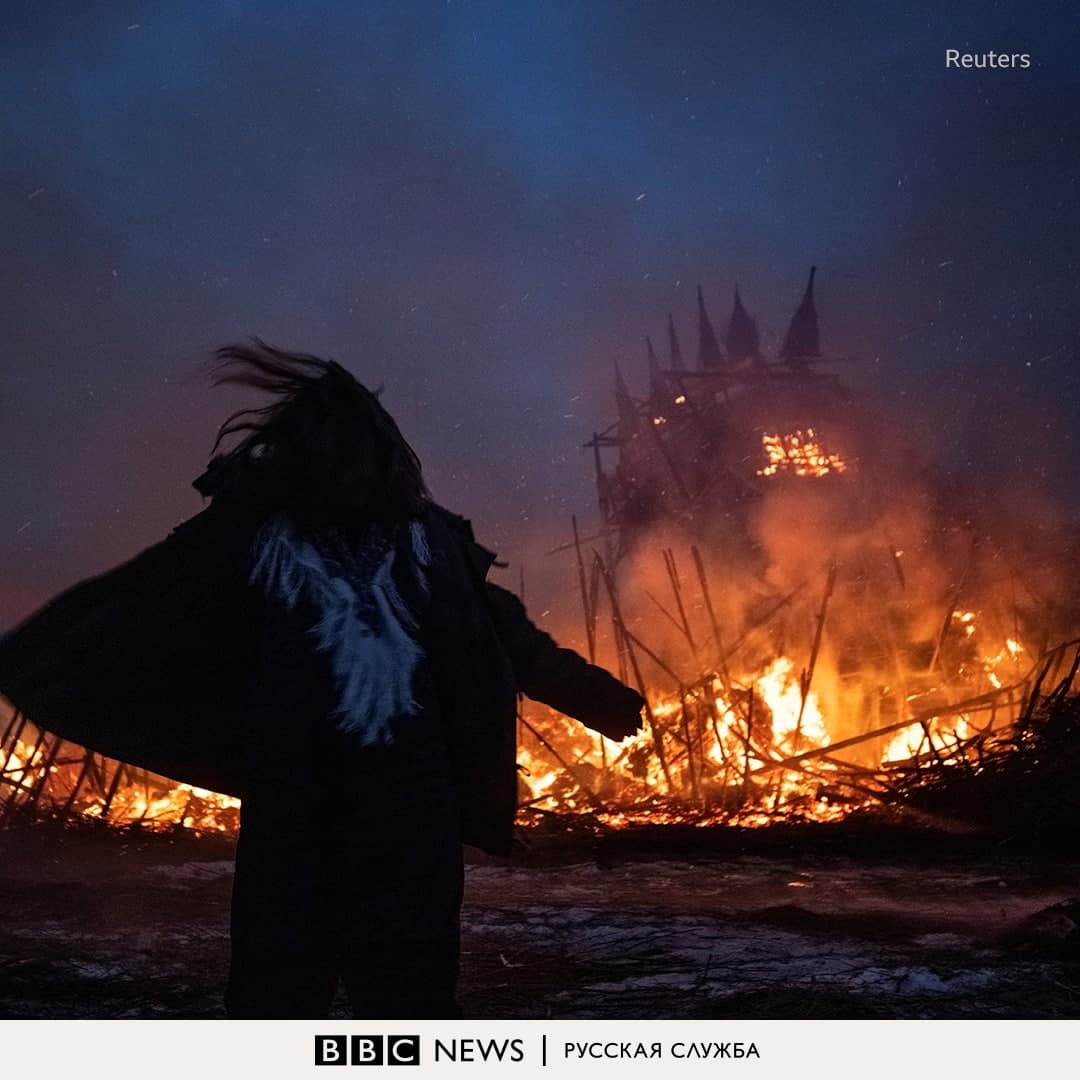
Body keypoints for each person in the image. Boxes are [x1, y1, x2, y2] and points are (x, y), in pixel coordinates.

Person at [0, 341, 645, 1019]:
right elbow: (139, 606)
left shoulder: (430, 547)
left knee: (407, 993)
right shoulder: (251, 544)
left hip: (407, 811)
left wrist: (595, 697)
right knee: (280, 991)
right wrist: (35, 661)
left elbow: (510, 638)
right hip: (297, 807)